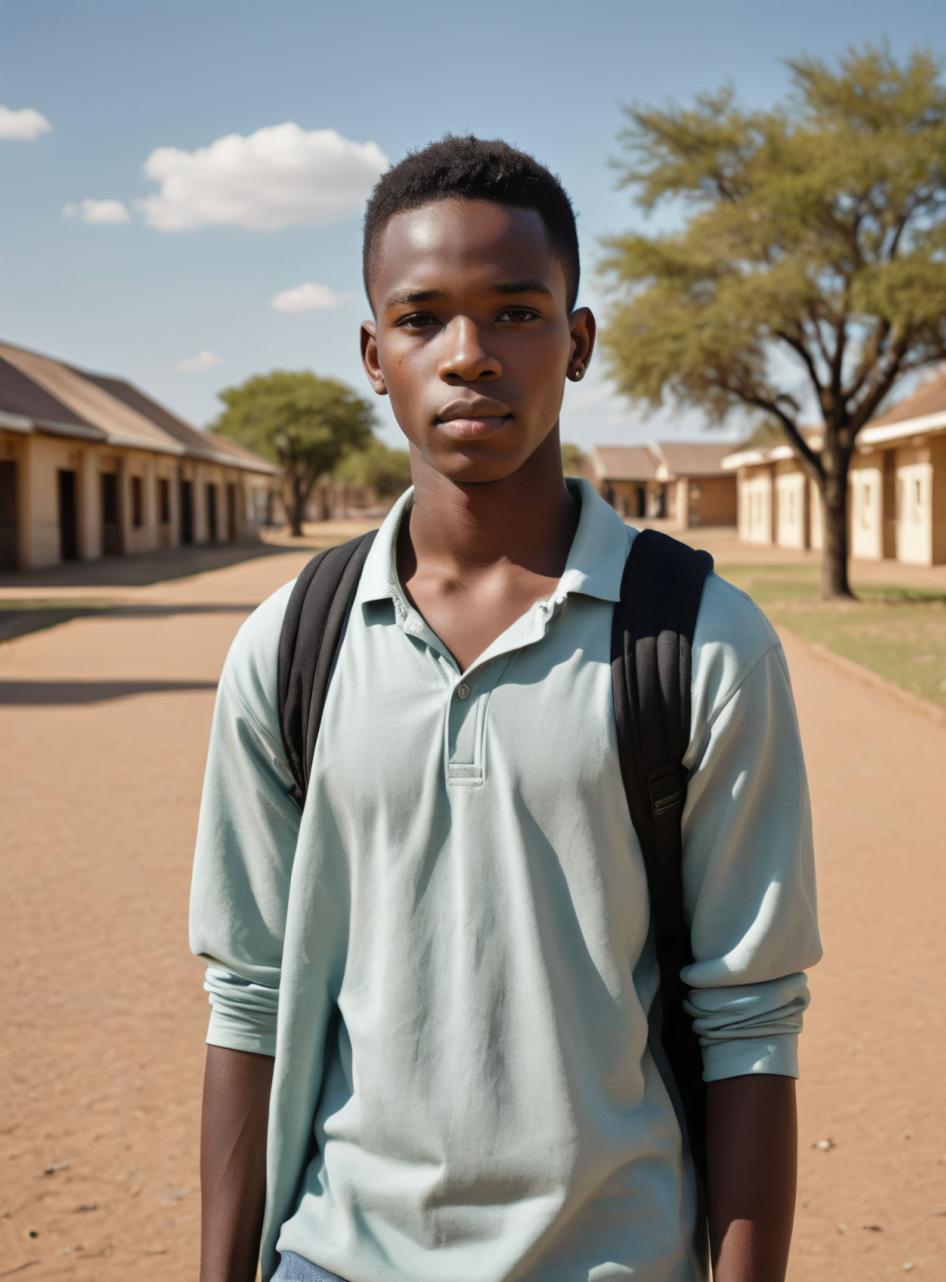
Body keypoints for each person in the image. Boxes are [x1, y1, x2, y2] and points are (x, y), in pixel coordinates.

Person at [188, 135, 822, 1282]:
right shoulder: (291, 646)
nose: (470, 355)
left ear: (577, 343)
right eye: (424, 317)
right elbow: (249, 996)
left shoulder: (699, 642)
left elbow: (750, 1021)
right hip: (339, 1258)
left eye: (518, 312)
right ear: (375, 355)